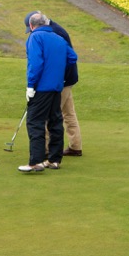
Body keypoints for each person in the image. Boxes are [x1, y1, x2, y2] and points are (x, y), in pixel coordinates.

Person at [19, 11, 77, 173]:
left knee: (35, 122)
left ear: (32, 25)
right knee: (55, 122)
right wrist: (57, 71)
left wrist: (30, 86)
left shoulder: (35, 37)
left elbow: (35, 63)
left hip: (42, 88)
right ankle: (54, 159)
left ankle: (36, 162)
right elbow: (72, 57)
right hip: (57, 87)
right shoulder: (59, 38)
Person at [34, 13, 83, 157]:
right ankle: (75, 146)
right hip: (66, 79)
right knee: (68, 113)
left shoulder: (55, 33)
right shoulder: (53, 29)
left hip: (61, 81)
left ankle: (46, 150)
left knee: (51, 114)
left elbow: (69, 57)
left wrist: (57, 77)